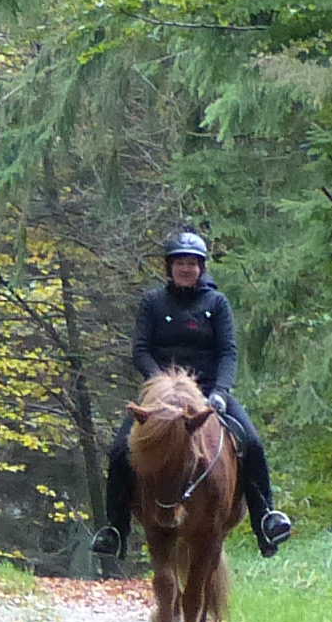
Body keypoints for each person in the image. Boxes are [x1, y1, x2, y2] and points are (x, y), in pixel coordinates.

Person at [94, 231, 293, 563]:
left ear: (201, 268)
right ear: (169, 267)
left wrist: (220, 394)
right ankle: (115, 529)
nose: (185, 269)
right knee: (119, 450)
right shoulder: (152, 302)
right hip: (163, 396)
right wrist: (163, 387)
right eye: (179, 263)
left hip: (209, 392)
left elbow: (228, 353)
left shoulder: (217, 304)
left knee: (252, 443)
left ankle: (266, 519)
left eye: (191, 263)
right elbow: (141, 350)